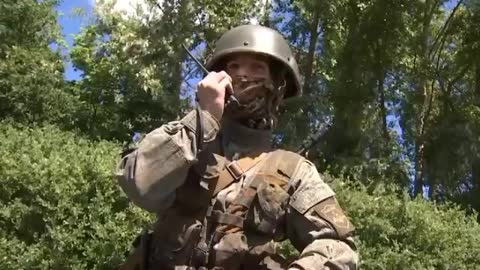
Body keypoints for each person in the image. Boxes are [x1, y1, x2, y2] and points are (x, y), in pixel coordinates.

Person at [116, 24, 359, 270]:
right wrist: (205, 117)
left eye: (257, 68)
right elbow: (140, 186)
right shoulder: (187, 139)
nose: (243, 76)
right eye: (233, 67)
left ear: (277, 83)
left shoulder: (293, 171)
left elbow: (338, 246)